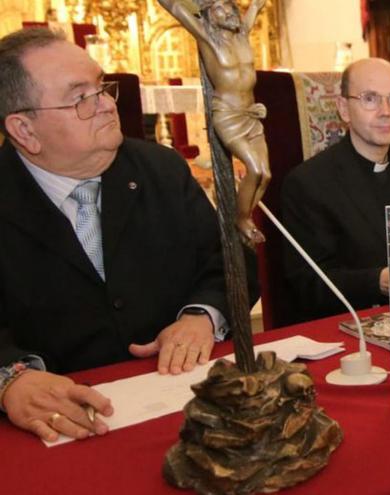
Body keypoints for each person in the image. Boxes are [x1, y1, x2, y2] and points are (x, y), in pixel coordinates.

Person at [0, 29, 256, 442]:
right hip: (56, 426)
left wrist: (201, 315)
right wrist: (10, 380)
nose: (105, 105)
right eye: (80, 97)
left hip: (182, 403)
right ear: (24, 130)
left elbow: (232, 262)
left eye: (101, 87)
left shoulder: (161, 169)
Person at [281, 58, 390, 321]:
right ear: (344, 108)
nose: (385, 111)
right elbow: (308, 285)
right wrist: (377, 281)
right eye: (370, 99)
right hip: (351, 326)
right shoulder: (308, 183)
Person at [159, 0, 271, 244]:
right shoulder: (205, 37)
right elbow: (175, 7)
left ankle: (244, 215)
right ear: (208, 15)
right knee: (254, 169)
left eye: (228, 6)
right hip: (228, 115)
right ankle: (242, 220)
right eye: (218, 8)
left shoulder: (242, 34)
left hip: (250, 114)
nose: (227, 11)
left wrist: (254, 6)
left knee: (266, 174)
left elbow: (255, 6)